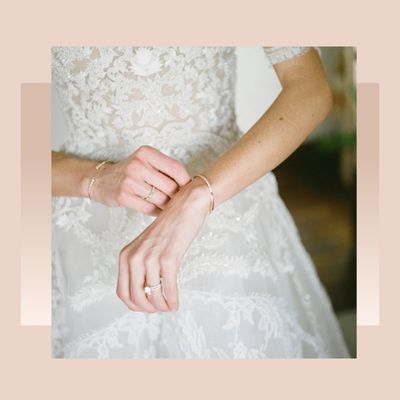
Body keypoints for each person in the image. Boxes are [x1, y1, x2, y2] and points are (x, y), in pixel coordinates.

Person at [51, 46, 350, 358]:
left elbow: (309, 87)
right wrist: (94, 179)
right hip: (83, 227)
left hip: (229, 206)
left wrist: (198, 196)